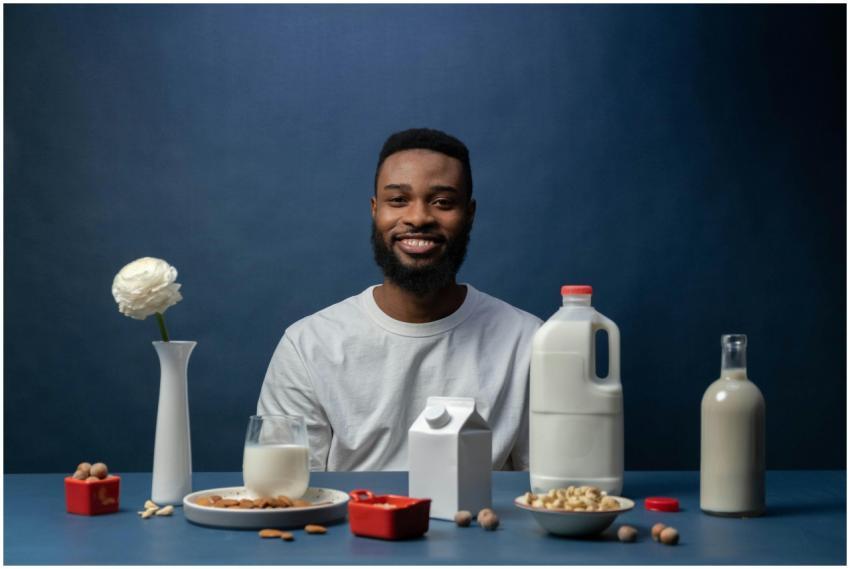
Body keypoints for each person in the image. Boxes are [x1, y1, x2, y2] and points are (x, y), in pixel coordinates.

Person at [257, 128, 541, 471]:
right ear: (375, 210)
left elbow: (552, 489)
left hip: (480, 524)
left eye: (442, 202)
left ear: (469, 213)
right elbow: (283, 491)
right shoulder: (309, 345)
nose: (418, 218)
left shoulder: (528, 342)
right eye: (398, 200)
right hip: (350, 526)